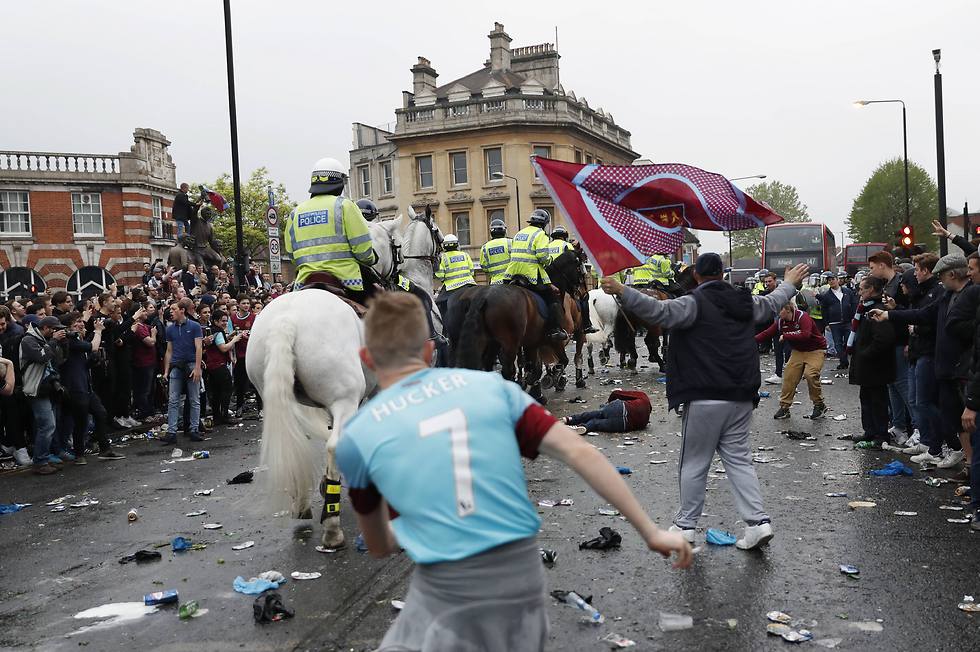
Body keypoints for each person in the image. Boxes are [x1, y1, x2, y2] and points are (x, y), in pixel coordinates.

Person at [336, 292, 691, 651]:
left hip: (442, 583)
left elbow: (380, 545)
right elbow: (580, 452)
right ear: (429, 352)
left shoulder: (357, 435)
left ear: (366, 357)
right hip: (519, 578)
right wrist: (650, 532)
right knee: (551, 301)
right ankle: (557, 328)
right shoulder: (494, 389)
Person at [602, 254, 809, 548]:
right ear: (722, 274)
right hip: (741, 394)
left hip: (705, 395)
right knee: (739, 460)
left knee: (694, 463)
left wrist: (622, 290)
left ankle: (685, 527)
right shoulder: (745, 302)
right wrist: (789, 283)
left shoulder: (693, 303)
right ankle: (758, 523)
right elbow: (773, 302)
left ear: (697, 276)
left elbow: (658, 311)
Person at [869, 253, 970, 465]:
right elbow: (923, 314)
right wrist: (889, 314)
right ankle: (944, 448)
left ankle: (950, 448)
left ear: (952, 274)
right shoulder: (946, 295)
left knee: (939, 406)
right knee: (938, 406)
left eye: (942, 275)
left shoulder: (964, 294)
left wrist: (911, 326)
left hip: (952, 362)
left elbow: (929, 321)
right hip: (941, 360)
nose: (939, 279)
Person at [282, 157, 376, 303]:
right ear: (340, 182)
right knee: (379, 308)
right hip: (346, 280)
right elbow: (362, 251)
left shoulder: (295, 213)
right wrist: (372, 258)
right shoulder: (345, 205)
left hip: (304, 281)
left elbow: (292, 254)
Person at [59, 312, 125, 462]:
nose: (81, 324)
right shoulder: (68, 340)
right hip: (75, 387)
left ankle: (105, 449)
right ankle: (79, 454)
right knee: (80, 421)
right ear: (68, 327)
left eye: (81, 321)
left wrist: (93, 360)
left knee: (101, 413)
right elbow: (93, 346)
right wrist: (98, 331)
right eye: (77, 322)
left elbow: (83, 363)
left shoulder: (77, 340)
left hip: (86, 386)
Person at [868, 249, 912, 444]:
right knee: (892, 384)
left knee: (902, 384)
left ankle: (916, 427)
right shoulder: (888, 284)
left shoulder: (900, 284)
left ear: (882, 265)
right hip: (891, 341)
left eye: (872, 267)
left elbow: (911, 313)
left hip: (901, 341)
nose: (871, 272)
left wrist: (909, 341)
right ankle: (899, 425)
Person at [756, 301, 828, 420]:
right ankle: (784, 407)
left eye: (780, 310)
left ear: (788, 310)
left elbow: (805, 335)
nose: (777, 313)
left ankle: (819, 405)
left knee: (810, 374)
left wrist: (786, 336)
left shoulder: (802, 317)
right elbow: (766, 333)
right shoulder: (780, 322)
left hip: (816, 350)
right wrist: (749, 341)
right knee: (789, 376)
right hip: (798, 351)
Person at [849, 276, 897, 448]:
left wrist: (865, 354)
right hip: (866, 366)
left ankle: (880, 435)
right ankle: (869, 432)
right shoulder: (864, 308)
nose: (859, 292)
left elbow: (883, 338)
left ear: (870, 290)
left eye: (862, 289)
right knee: (866, 400)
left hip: (875, 366)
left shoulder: (877, 310)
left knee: (878, 402)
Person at [505, 208, 567, 340]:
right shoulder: (541, 235)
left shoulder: (519, 233)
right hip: (530, 274)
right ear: (544, 224)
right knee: (552, 298)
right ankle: (554, 329)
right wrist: (549, 260)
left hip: (512, 273)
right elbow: (542, 256)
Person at [20, 315, 68, 474]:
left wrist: (62, 343)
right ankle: (40, 462)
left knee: (49, 425)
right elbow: (42, 357)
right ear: (46, 328)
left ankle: (44, 458)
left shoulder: (44, 340)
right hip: (36, 388)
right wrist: (53, 341)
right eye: (54, 329)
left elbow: (60, 360)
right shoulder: (28, 340)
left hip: (47, 388)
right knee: (47, 425)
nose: (57, 332)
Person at [161, 298, 203, 444]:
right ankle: (172, 432)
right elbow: (169, 350)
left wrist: (197, 368)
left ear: (182, 310)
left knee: (194, 399)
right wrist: (166, 371)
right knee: (173, 400)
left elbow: (199, 347)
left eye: (174, 309)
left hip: (191, 364)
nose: (171, 312)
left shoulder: (195, 326)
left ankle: (194, 429)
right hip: (176, 366)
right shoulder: (170, 329)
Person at [0, 307, 30, 466]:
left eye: (2, 324)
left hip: (10, 381)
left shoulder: (14, 334)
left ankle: (17, 446)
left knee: (13, 415)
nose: (1, 327)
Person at [203, 310, 240, 426]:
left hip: (211, 366)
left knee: (216, 392)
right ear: (215, 321)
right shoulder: (218, 332)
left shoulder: (212, 331)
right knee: (226, 389)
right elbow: (223, 348)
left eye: (226, 321)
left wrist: (229, 336)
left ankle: (217, 416)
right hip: (219, 365)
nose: (225, 323)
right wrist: (235, 340)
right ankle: (224, 415)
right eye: (222, 321)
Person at [563, 389, 652, 434]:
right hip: (622, 424)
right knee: (596, 423)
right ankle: (585, 427)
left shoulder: (643, 397)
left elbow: (616, 393)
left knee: (598, 413)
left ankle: (569, 419)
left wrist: (608, 403)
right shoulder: (644, 422)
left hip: (620, 408)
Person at [818, 272, 857, 370]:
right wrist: (826, 323)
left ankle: (844, 358)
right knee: (837, 344)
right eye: (829, 280)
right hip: (834, 323)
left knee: (848, 341)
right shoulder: (827, 295)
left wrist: (854, 317)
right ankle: (843, 362)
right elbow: (824, 310)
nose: (831, 281)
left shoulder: (847, 291)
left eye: (833, 279)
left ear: (837, 280)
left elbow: (853, 304)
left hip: (847, 321)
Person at [434, 234, 476, 322]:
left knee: (439, 304)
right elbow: (472, 271)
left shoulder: (443, 257)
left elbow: (440, 275)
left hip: (451, 287)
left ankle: (444, 327)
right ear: (457, 244)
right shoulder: (465, 255)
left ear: (444, 246)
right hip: (470, 284)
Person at [480, 218, 511, 285]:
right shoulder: (510, 242)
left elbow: (484, 267)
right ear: (504, 231)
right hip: (510, 280)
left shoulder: (485, 247)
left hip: (495, 282)